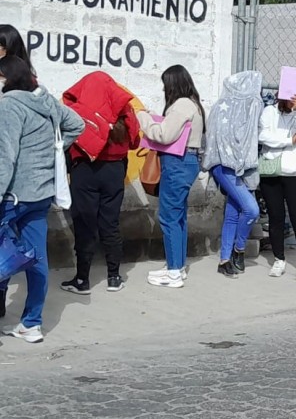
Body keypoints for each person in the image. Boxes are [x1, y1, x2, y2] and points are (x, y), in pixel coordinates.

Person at [0, 56, 84, 342]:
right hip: (41, 194)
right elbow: (77, 125)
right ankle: (32, 324)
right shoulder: (46, 102)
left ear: (6, 77)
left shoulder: (9, 105)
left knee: (6, 256)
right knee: (36, 258)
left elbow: (5, 157)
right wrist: (54, 150)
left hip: (12, 195)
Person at [60, 72, 141, 294]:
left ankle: (82, 280)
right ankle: (114, 277)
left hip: (85, 171)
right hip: (114, 172)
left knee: (84, 225)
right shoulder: (124, 111)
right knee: (111, 223)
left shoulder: (80, 112)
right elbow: (135, 141)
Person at [138, 65, 205, 288]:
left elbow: (164, 134)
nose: (164, 89)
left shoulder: (181, 105)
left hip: (178, 162)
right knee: (178, 216)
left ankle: (174, 272)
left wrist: (143, 119)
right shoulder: (193, 104)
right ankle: (177, 266)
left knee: (168, 217)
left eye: (166, 84)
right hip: (186, 161)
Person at [203, 71, 263, 279]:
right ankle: (238, 250)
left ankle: (224, 260)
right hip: (223, 165)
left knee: (233, 212)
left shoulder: (236, 107)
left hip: (239, 166)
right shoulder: (237, 106)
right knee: (251, 209)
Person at [259, 92, 296, 281]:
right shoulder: (269, 111)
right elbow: (263, 136)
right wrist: (287, 141)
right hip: (272, 170)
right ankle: (279, 259)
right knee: (275, 217)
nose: (292, 99)